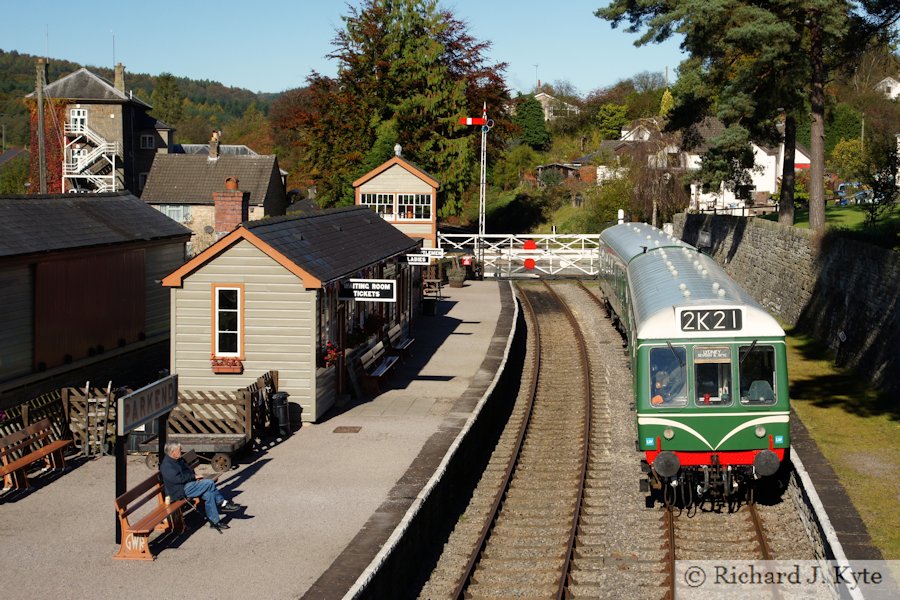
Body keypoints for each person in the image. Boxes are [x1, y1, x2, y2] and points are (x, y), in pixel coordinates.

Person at [159, 442, 243, 533]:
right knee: (209, 483)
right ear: (172, 452)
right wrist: (194, 477)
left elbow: (188, 471)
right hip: (179, 491)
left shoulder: (178, 460)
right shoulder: (167, 465)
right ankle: (223, 503)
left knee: (209, 494)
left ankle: (215, 522)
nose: (181, 451)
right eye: (179, 450)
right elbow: (177, 479)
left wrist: (194, 478)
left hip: (188, 485)